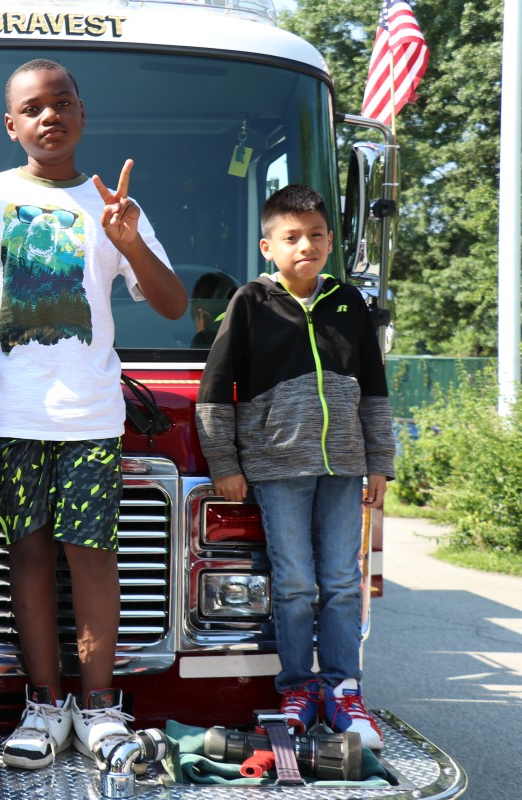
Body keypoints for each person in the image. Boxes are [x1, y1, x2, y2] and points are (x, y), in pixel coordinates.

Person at [0, 58, 187, 769]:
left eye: (62, 103)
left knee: (92, 558)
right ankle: (42, 704)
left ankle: (99, 707)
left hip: (90, 415)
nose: (48, 116)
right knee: (26, 557)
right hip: (9, 414)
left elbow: (174, 304)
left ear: (82, 114)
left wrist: (127, 243)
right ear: (11, 124)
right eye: (33, 107)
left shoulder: (113, 204)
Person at [195, 183, 394, 750]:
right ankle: (297, 689)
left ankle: (344, 690)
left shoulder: (348, 304)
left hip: (344, 467)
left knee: (340, 580)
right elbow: (215, 390)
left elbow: (375, 390)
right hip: (277, 468)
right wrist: (225, 464)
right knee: (294, 582)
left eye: (315, 235)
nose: (304, 244)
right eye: (291, 237)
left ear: (330, 242)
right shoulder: (251, 303)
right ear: (268, 247)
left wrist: (379, 460)